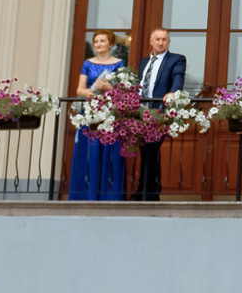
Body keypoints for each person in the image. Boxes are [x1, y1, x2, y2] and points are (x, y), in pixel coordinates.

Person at [131, 27, 188, 201]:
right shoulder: (144, 62)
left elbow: (178, 78)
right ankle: (148, 190)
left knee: (151, 150)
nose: (161, 42)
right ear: (151, 41)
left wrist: (173, 92)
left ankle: (147, 192)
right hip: (140, 112)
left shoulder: (176, 59)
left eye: (164, 40)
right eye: (158, 39)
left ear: (168, 42)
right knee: (145, 151)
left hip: (159, 112)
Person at [70, 31, 126, 200]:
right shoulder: (87, 63)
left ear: (110, 44)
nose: (99, 44)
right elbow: (79, 89)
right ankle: (87, 194)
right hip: (90, 113)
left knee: (110, 153)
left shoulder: (119, 63)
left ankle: (109, 196)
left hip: (110, 114)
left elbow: (123, 89)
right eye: (96, 41)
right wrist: (90, 92)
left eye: (103, 41)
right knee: (90, 152)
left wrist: (109, 87)